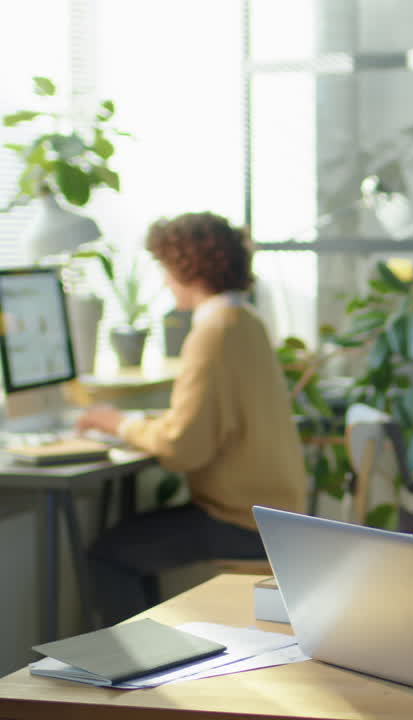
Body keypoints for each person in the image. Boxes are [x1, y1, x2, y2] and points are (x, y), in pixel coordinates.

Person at [77, 212, 308, 625]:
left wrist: (118, 424)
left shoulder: (211, 332)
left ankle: (136, 670)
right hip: (276, 513)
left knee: (112, 555)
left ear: (187, 268)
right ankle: (148, 658)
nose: (164, 280)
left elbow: (182, 448)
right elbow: (213, 417)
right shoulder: (246, 322)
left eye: (165, 268)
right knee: (130, 543)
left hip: (240, 521)